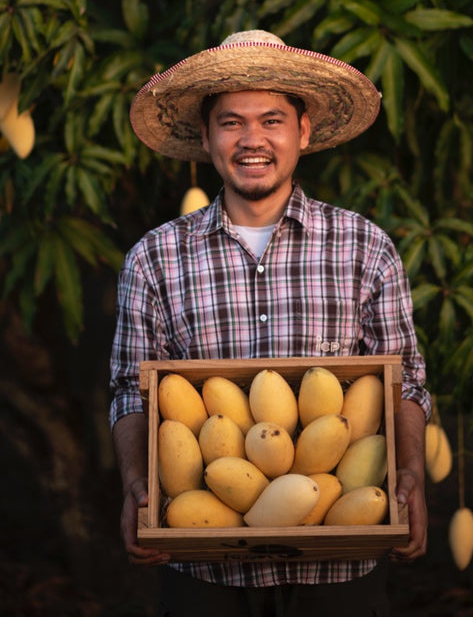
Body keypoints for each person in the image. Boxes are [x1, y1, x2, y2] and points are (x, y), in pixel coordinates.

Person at [110, 30, 431, 617]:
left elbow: (404, 382)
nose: (252, 140)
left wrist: (410, 476)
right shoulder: (153, 258)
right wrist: (137, 484)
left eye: (272, 120)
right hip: (203, 566)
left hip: (338, 568)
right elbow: (131, 392)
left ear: (302, 132)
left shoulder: (365, 248)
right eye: (231, 122)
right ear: (205, 138)